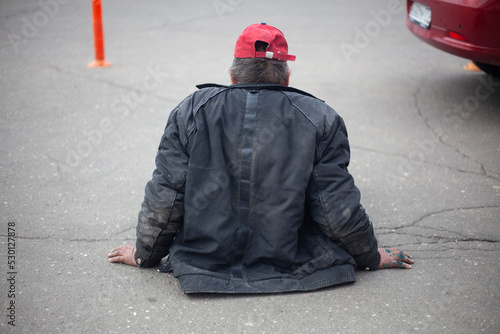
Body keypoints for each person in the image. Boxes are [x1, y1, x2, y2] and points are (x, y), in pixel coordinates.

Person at [108, 23, 414, 293]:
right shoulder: (321, 117)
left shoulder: (190, 111)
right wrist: (370, 256)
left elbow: (166, 194)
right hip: (294, 264)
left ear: (231, 75)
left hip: (203, 263)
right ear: (287, 77)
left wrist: (145, 254)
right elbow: (336, 207)